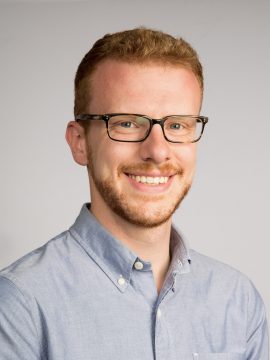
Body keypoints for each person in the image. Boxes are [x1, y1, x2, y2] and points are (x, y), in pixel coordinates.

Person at [0, 28, 268, 360]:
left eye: (177, 125)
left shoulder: (236, 301)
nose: (157, 151)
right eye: (127, 123)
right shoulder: (19, 305)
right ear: (80, 142)